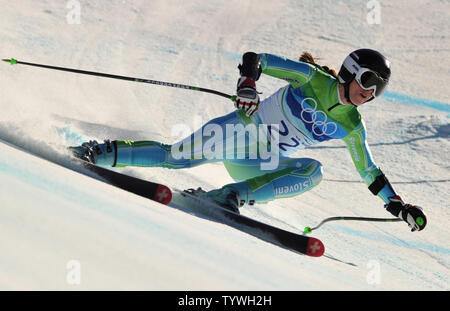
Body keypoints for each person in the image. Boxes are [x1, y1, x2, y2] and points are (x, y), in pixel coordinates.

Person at [70, 48, 427, 232]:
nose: (370, 92)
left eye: (378, 87)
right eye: (367, 80)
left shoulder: (351, 124)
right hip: (238, 133)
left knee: (313, 171)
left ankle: (231, 196)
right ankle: (98, 152)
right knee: (174, 157)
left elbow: (369, 172)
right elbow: (256, 60)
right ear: (350, 70)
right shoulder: (311, 78)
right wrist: (248, 85)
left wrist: (398, 206)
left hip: (261, 164)